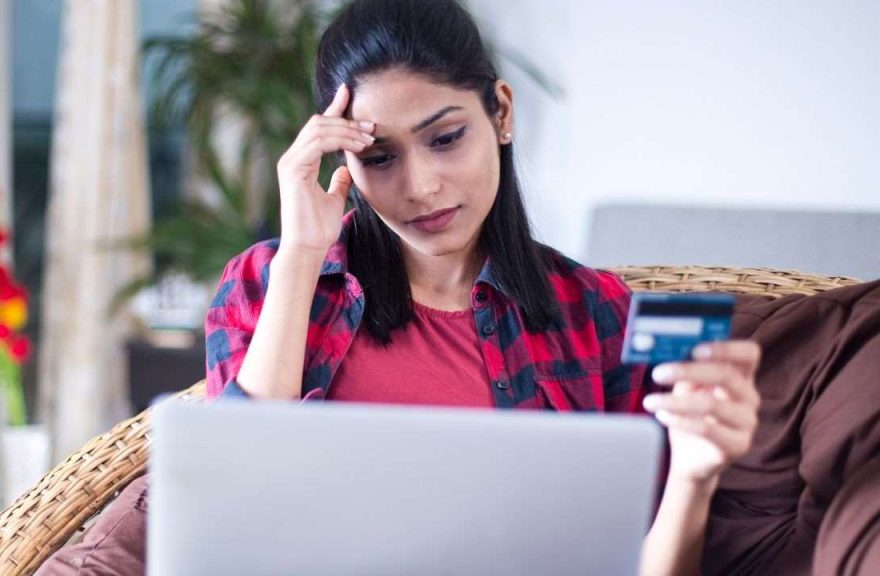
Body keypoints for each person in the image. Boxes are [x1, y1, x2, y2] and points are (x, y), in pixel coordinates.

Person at [38, 1, 761, 574]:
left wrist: (696, 475)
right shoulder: (269, 281)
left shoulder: (595, 314)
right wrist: (300, 254)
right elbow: (232, 497)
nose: (420, 187)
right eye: (380, 156)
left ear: (501, 113)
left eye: (446, 138)